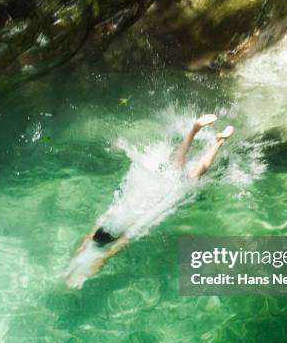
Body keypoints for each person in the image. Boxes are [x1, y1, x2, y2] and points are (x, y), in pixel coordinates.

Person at [64, 115, 234, 289]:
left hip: (169, 193)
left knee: (198, 172)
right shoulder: (110, 216)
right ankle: (194, 130)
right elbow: (88, 240)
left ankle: (219, 142)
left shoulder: (120, 233)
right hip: (155, 187)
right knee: (177, 161)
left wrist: (91, 268)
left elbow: (109, 250)